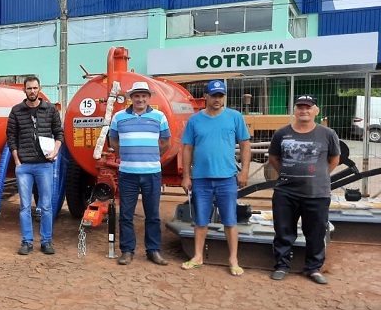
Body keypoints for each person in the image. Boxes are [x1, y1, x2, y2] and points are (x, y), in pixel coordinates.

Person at [181, 79, 251, 275]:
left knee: (230, 220)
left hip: (227, 178)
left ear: (224, 97)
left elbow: (245, 144)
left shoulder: (234, 117)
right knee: (200, 219)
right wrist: (186, 176)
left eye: (221, 96)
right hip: (201, 178)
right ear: (206, 96)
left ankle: (233, 259)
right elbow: (187, 148)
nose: (217, 99)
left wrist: (244, 171)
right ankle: (198, 256)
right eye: (214, 96)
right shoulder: (194, 120)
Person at [268, 95, 339, 285]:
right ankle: (282, 266)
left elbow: (334, 159)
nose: (304, 111)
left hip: (317, 194)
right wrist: (288, 173)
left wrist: (319, 176)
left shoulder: (328, 134)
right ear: (294, 110)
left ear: (316, 110)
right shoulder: (281, 133)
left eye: (308, 107)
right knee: (283, 231)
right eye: (300, 107)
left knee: (316, 233)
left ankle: (313, 268)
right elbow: (273, 158)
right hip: (285, 192)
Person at [108, 81, 171, 266]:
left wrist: (152, 157)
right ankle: (127, 251)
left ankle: (153, 250)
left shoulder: (159, 116)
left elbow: (166, 142)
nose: (140, 99)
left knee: (153, 215)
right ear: (131, 98)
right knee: (126, 214)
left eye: (144, 96)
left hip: (152, 173)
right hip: (128, 173)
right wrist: (125, 155)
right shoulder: (118, 117)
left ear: (149, 98)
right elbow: (113, 140)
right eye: (137, 96)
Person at [6, 75, 64, 256]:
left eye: (35, 88)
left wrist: (55, 151)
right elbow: (11, 137)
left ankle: (46, 241)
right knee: (24, 206)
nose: (32, 91)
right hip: (24, 166)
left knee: (46, 205)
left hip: (44, 165)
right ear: (24, 90)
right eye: (29, 88)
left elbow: (59, 133)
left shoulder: (50, 110)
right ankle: (27, 241)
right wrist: (17, 160)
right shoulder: (17, 111)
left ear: (40, 89)